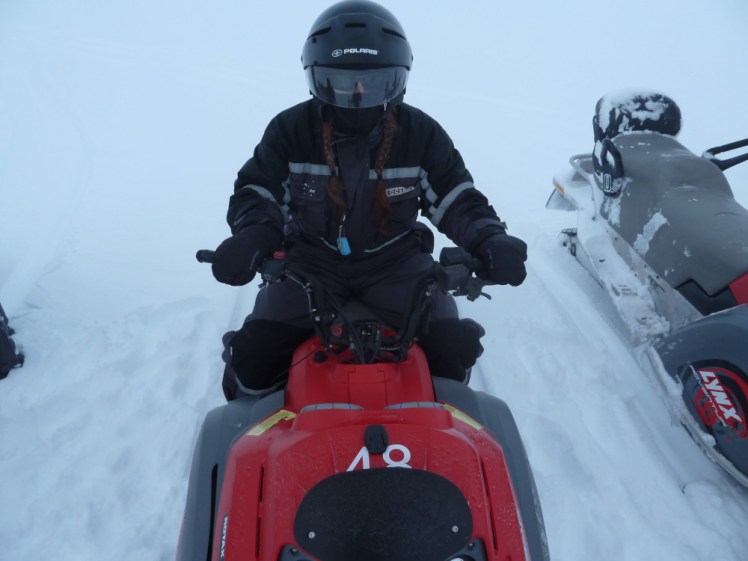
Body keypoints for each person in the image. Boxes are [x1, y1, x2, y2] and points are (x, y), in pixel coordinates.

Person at [210, 0, 528, 400]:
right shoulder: (290, 129)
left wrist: (489, 238)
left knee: (452, 351)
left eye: (374, 82)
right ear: (316, 79)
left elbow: (456, 198)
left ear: (397, 81)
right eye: (340, 82)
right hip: (310, 264)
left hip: (397, 264)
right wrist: (253, 237)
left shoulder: (420, 133)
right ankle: (256, 436)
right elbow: (258, 191)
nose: (357, 94)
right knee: (253, 360)